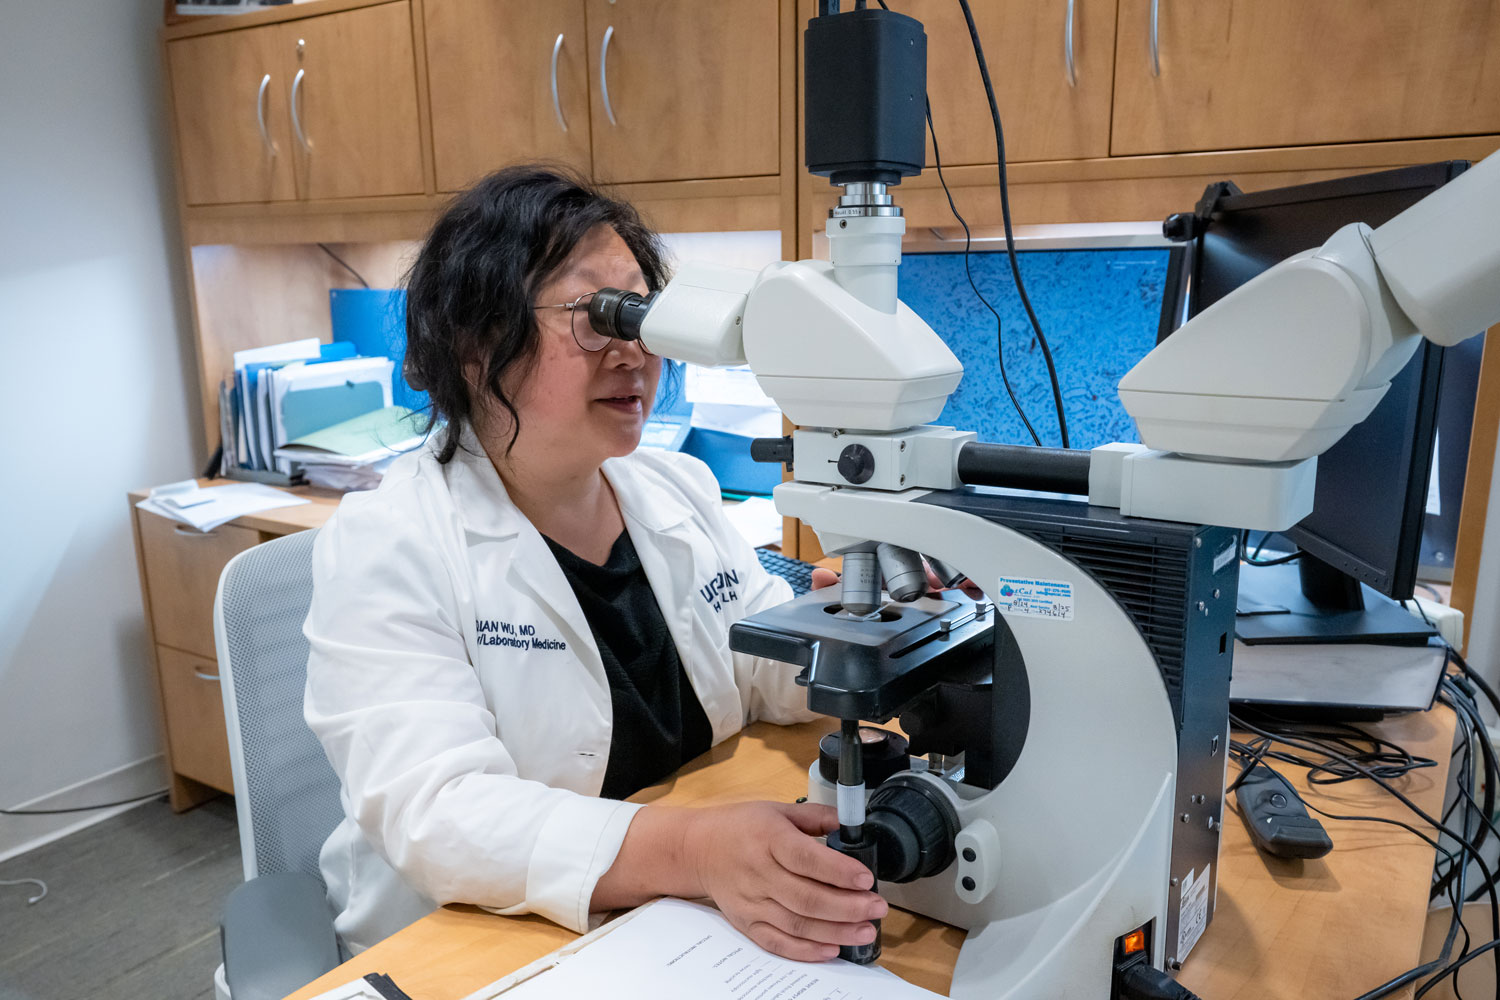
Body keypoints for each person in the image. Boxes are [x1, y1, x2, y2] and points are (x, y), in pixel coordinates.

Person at [303, 166, 885, 960]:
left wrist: (851, 629)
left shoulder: (675, 488)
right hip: (474, 937)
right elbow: (439, 813)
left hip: (669, 925)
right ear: (475, 344)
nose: (634, 351)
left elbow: (759, 670)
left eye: (645, 316)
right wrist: (694, 851)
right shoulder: (389, 541)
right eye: (597, 316)